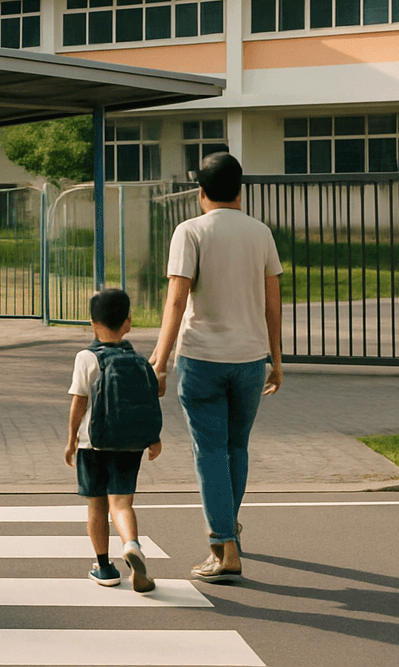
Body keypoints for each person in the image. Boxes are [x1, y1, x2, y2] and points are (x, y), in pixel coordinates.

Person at [150, 152, 283, 584]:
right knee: (236, 448)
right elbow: (272, 303)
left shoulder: (190, 231)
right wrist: (276, 359)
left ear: (201, 192)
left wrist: (161, 360)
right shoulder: (260, 233)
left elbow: (176, 299)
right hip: (249, 360)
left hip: (202, 359)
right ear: (240, 190)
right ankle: (230, 534)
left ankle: (223, 549)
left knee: (209, 451)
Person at [64, 287, 163, 593]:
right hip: (130, 443)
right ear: (128, 323)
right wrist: (153, 439)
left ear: (92, 323)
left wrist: (70, 440)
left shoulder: (86, 358)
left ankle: (104, 567)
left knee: (97, 506)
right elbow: (149, 399)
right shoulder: (138, 360)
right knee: (121, 503)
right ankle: (132, 544)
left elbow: (78, 403)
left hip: (92, 444)